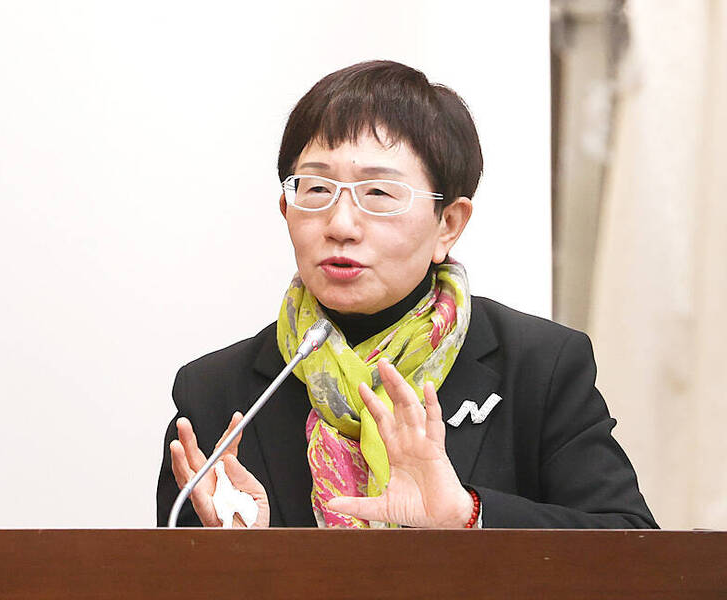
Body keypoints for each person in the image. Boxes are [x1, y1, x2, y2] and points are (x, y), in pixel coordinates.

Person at [155, 60, 657, 529]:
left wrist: (468, 515)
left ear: (449, 224)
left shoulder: (539, 367)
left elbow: (635, 551)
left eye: (378, 193)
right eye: (315, 189)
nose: (341, 224)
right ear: (286, 211)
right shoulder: (216, 393)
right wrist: (240, 561)